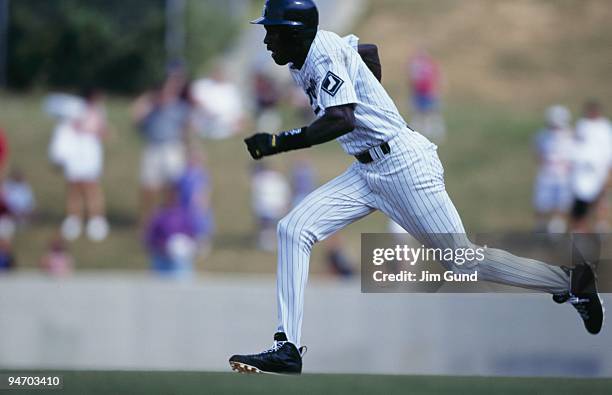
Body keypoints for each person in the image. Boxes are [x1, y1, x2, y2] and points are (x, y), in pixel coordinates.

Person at [229, 0, 604, 375]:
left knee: (462, 260)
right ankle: (287, 347)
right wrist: (366, 85)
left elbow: (341, 118)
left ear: (295, 32)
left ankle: (571, 281)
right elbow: (367, 52)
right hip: (366, 171)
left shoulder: (321, 53)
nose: (266, 40)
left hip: (403, 165)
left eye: (272, 31)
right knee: (293, 229)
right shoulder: (307, 54)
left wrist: (280, 143)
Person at [132, 73, 191, 226]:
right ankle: (148, 218)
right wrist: (149, 100)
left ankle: (171, 217)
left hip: (172, 147)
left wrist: (187, 148)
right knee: (149, 186)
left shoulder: (180, 107)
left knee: (173, 186)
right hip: (153, 147)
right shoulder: (150, 106)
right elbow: (136, 118)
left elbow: (185, 129)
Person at [570, 100, 612, 233]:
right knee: (581, 200)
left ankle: (601, 226)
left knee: (601, 197)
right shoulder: (581, 125)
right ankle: (580, 228)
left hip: (600, 169)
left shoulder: (605, 127)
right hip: (582, 170)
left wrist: (609, 171)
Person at [533, 105, 574, 233]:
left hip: (564, 176)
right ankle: (540, 228)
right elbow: (538, 154)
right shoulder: (542, 136)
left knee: (562, 204)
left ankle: (556, 230)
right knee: (542, 204)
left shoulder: (571, 136)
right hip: (547, 175)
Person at [408, 48, 446, 142]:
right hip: (419, 93)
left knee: (432, 114)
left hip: (429, 93)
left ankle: (435, 133)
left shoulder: (430, 65)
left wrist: (437, 90)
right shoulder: (416, 66)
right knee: (419, 114)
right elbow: (413, 80)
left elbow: (437, 77)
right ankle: (415, 133)